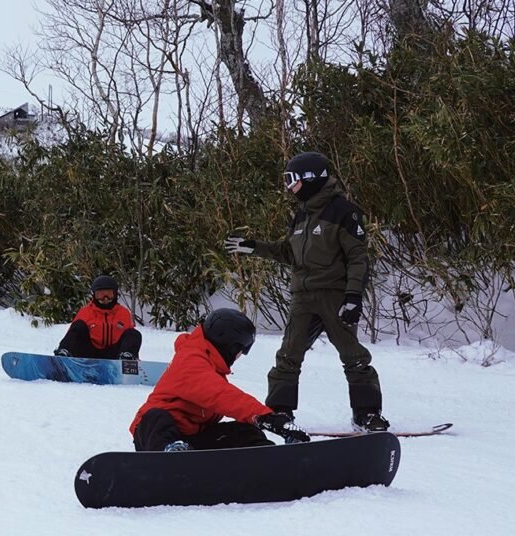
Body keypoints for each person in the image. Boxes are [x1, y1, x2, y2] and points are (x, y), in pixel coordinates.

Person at [224, 151, 389, 432]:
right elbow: (289, 252)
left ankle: (367, 413)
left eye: (293, 180)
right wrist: (255, 247)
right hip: (303, 297)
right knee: (288, 354)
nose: (289, 187)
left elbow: (358, 258)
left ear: (312, 179)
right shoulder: (301, 215)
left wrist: (352, 297)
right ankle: (279, 411)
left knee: (353, 355)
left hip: (334, 295)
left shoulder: (343, 212)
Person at [129, 308, 310, 452]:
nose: (241, 356)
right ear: (230, 346)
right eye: (242, 350)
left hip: (192, 440)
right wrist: (267, 417)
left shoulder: (210, 364)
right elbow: (221, 395)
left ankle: (265, 458)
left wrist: (275, 424)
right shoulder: (190, 359)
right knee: (155, 417)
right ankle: (171, 455)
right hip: (156, 437)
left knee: (246, 431)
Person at [54, 275, 142, 359]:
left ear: (115, 294)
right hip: (88, 353)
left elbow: (130, 339)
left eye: (109, 294)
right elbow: (73, 334)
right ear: (94, 295)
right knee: (78, 325)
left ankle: (127, 359)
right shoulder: (86, 312)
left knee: (133, 333)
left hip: (114, 355)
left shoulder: (123, 313)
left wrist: (130, 351)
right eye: (101, 295)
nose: (105, 298)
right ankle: (63, 354)